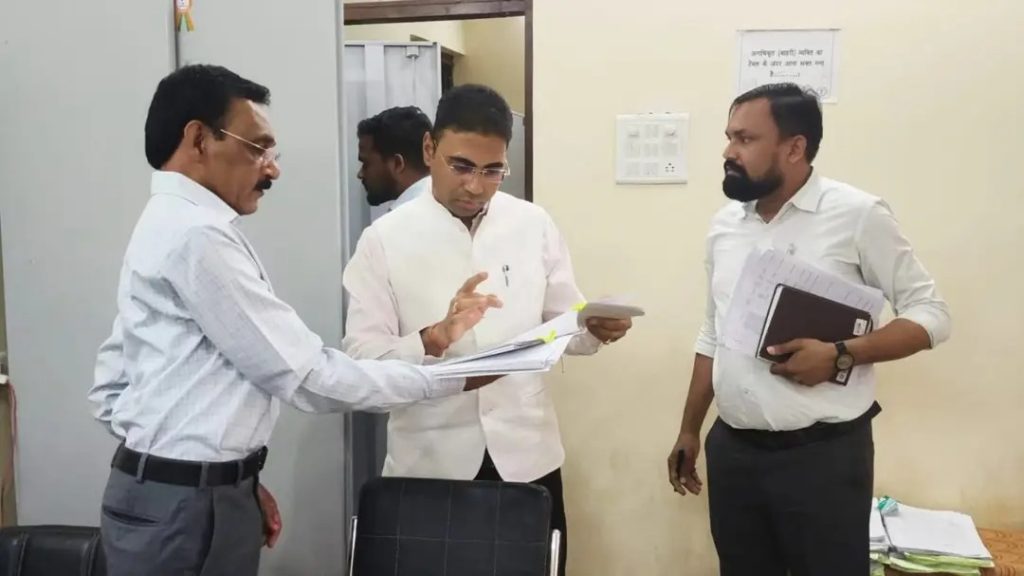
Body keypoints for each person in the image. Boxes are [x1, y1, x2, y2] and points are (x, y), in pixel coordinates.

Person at [88, 64, 495, 576]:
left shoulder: (166, 223)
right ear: (199, 139)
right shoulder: (198, 238)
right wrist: (452, 379)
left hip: (183, 496)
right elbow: (307, 377)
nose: (272, 170)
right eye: (258, 148)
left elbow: (111, 388)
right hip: (186, 510)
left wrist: (222, 477)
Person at [341, 84, 633, 575]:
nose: (475, 186)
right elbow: (361, 366)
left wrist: (594, 330)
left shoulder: (533, 224)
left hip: (527, 459)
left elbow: (563, 324)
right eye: (461, 166)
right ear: (430, 149)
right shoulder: (383, 240)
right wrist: (433, 338)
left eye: (492, 170)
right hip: (430, 467)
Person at [666, 83, 951, 576]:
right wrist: (690, 427)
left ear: (794, 147)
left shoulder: (858, 215)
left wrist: (841, 353)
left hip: (823, 458)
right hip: (734, 452)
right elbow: (713, 332)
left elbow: (932, 314)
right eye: (729, 137)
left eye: (745, 139)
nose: (728, 152)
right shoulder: (725, 226)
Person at [356, 105, 433, 211]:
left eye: (366, 164)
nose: (360, 174)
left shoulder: (404, 218)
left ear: (397, 164)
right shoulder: (447, 210)